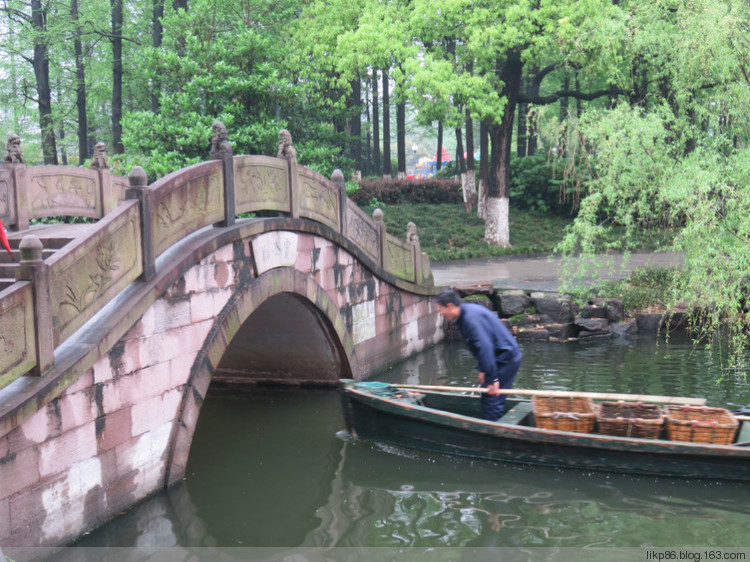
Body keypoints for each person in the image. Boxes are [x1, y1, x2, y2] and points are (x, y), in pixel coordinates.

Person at [436, 289, 522, 421]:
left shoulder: (470, 319)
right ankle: (490, 424)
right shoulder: (465, 314)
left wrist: (493, 379)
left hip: (506, 357)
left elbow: (485, 348)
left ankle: (492, 434)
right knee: (487, 394)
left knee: (492, 398)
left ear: (450, 306)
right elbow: (480, 347)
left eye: (441, 309)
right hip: (497, 356)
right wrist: (483, 370)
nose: (440, 313)